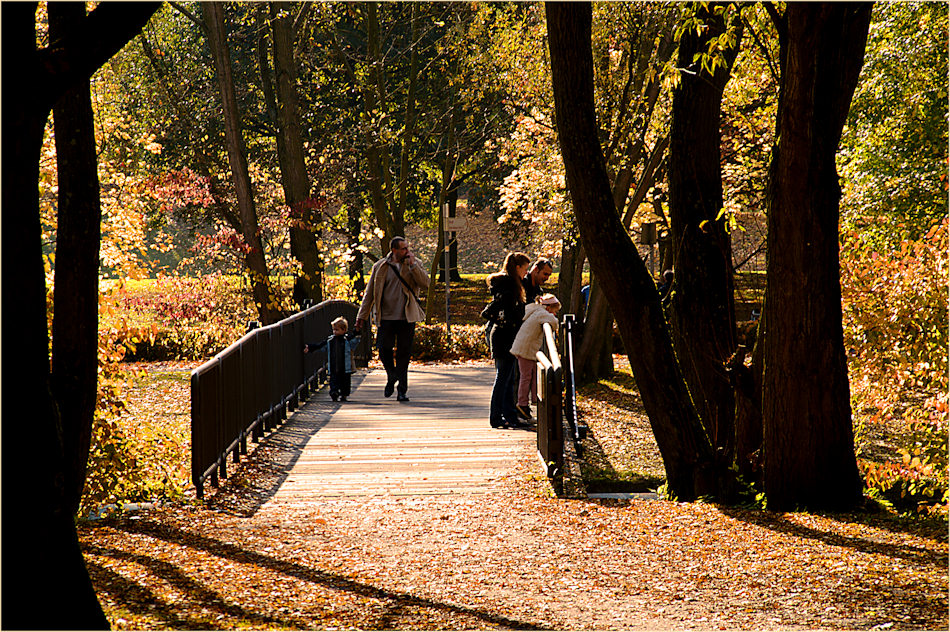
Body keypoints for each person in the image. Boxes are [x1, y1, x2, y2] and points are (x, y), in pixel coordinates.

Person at [355, 236, 429, 402]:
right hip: (386, 317)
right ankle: (391, 375)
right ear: (394, 250)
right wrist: (361, 316)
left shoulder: (413, 264)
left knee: (404, 354)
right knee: (383, 349)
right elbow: (369, 294)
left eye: (407, 248)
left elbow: (426, 284)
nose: (407, 251)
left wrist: (413, 266)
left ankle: (402, 390)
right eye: (403, 249)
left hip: (406, 317)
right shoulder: (380, 267)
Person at [481, 252, 531, 429]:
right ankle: (496, 417)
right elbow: (490, 311)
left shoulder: (509, 285)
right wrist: (506, 322)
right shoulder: (509, 286)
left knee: (508, 379)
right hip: (504, 337)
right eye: (525, 269)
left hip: (506, 336)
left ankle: (509, 415)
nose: (526, 273)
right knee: (503, 378)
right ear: (517, 267)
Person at [510, 294, 561, 421]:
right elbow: (555, 323)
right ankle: (522, 404)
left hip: (525, 347)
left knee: (531, 375)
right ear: (549, 308)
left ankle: (534, 399)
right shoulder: (541, 314)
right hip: (526, 349)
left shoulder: (535, 310)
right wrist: (553, 318)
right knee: (526, 376)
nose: (555, 314)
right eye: (555, 311)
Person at [304, 316, 361, 402]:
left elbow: (355, 340)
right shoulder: (330, 341)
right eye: (334, 330)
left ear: (344, 330)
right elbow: (321, 346)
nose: (335, 332)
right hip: (334, 366)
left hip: (345, 367)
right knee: (334, 381)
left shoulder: (347, 340)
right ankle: (334, 393)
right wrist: (310, 347)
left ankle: (344, 394)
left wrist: (357, 331)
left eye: (337, 330)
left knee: (345, 382)